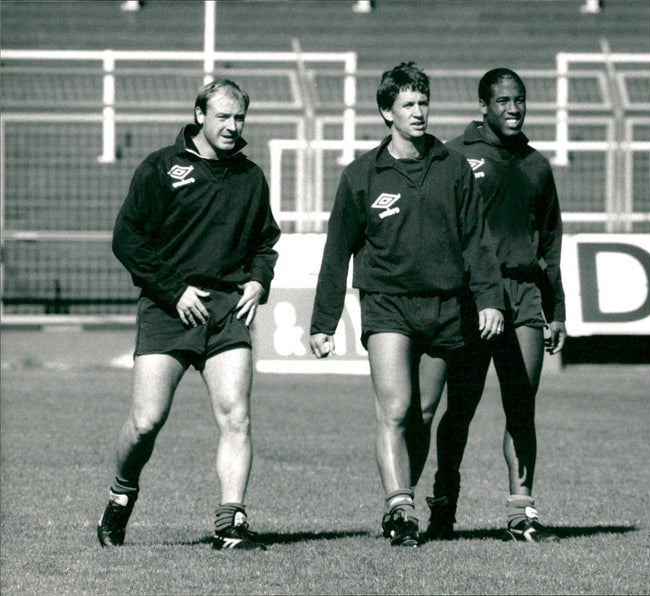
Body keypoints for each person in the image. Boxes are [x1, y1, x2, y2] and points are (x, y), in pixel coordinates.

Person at [309, 62, 505, 547]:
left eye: (423, 104)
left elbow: (477, 240)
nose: (418, 113)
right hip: (387, 306)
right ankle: (400, 507)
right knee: (395, 409)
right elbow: (337, 251)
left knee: (423, 413)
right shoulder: (361, 175)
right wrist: (323, 321)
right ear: (386, 112)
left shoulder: (453, 167)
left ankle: (402, 502)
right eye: (408, 105)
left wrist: (489, 298)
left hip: (446, 308)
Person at [97, 78, 281, 550]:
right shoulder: (161, 167)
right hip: (168, 307)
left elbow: (265, 242)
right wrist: (175, 291)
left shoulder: (250, 176)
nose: (232, 126)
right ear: (200, 115)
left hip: (226, 311)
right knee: (145, 422)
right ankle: (120, 496)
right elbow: (128, 240)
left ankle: (231, 522)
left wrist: (259, 279)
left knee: (236, 416)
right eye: (222, 116)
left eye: (239, 117)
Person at [426, 68, 567, 543]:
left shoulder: (536, 165)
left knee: (521, 406)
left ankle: (520, 512)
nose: (513, 109)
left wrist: (558, 310)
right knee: (460, 408)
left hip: (524, 295)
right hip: (473, 300)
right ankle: (443, 501)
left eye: (519, 100)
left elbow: (550, 246)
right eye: (503, 101)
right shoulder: (455, 156)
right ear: (483, 106)